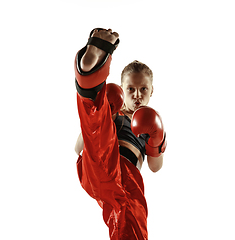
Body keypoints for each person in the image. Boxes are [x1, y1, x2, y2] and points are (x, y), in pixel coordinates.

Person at [74, 28, 167, 240]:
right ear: (123, 89)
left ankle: (89, 74)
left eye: (143, 89)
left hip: (121, 181)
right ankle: (93, 78)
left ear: (151, 91)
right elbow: (78, 148)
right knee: (101, 115)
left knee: (126, 221)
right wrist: (108, 108)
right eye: (131, 89)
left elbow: (155, 167)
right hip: (101, 163)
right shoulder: (115, 112)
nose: (137, 95)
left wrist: (157, 139)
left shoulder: (152, 121)